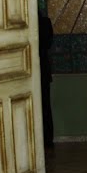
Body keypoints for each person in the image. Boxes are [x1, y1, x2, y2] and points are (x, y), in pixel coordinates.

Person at [38, 11, 54, 150]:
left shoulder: (43, 23)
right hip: (42, 70)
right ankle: (47, 140)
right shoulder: (45, 23)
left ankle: (46, 140)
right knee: (45, 106)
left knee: (44, 107)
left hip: (41, 71)